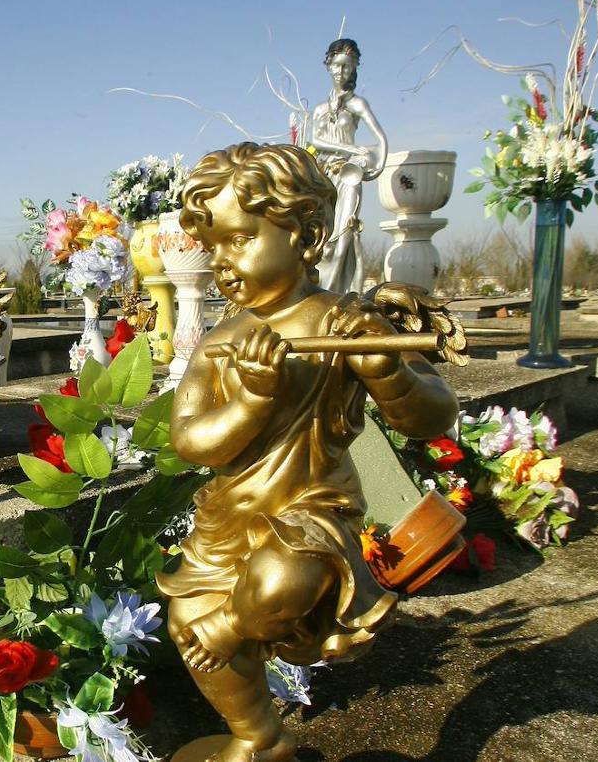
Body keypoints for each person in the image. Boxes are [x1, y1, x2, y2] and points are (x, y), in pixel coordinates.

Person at [159, 143, 457, 762]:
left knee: (280, 577)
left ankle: (234, 627)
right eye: (212, 248)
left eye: (239, 240)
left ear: (306, 235)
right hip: (231, 518)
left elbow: (431, 417)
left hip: (311, 512)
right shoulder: (221, 342)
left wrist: (387, 372)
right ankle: (260, 739)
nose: (222, 262)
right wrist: (248, 404)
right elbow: (189, 441)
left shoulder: (346, 323)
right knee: (187, 619)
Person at [309, 38, 387, 294]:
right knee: (323, 240)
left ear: (354, 68)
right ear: (328, 65)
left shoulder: (357, 104)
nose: (341, 71)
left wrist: (376, 167)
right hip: (322, 176)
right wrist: (352, 148)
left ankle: (341, 295)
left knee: (344, 235)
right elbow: (316, 141)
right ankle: (319, 293)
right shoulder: (320, 108)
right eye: (337, 65)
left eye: (347, 66)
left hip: (349, 174)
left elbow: (380, 138)